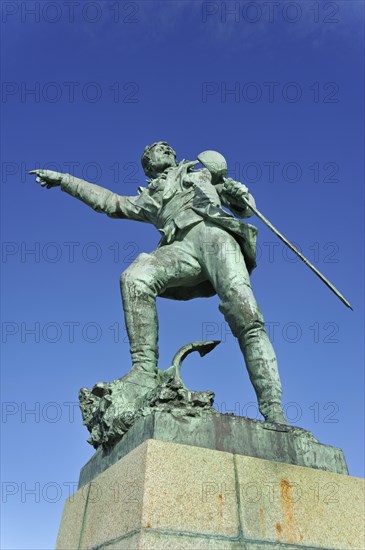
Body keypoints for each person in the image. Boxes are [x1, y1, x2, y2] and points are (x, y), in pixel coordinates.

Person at [30, 141, 287, 424]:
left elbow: (243, 207)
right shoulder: (147, 198)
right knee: (134, 277)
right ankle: (144, 370)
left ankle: (273, 410)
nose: (165, 148)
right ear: (148, 165)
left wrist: (240, 196)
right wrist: (65, 181)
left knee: (247, 317)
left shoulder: (200, 172)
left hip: (216, 237)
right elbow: (108, 202)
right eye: (156, 148)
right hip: (180, 248)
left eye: (167, 146)